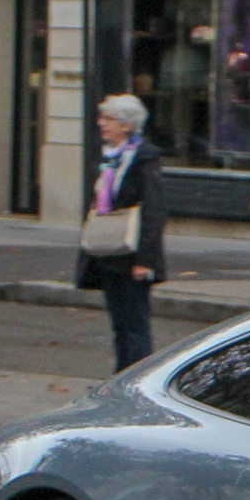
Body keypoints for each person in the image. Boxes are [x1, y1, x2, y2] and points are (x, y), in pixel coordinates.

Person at [75, 93, 168, 372]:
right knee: (119, 325)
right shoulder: (107, 157)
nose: (102, 124)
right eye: (101, 118)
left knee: (135, 325)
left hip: (132, 254)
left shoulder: (143, 157)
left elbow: (154, 210)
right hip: (108, 251)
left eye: (109, 119)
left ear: (127, 125)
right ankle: (121, 376)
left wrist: (145, 260)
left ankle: (137, 378)